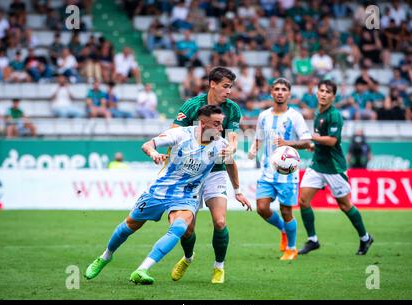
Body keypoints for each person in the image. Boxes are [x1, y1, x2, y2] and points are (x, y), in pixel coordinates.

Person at [84, 105, 251, 284]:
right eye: (216, 124)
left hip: (187, 196)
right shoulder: (181, 134)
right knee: (130, 225)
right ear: (202, 123)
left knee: (180, 227)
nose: (220, 129)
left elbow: (230, 164)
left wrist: (237, 191)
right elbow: (148, 145)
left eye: (222, 124)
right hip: (160, 190)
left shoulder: (220, 144)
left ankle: (142, 269)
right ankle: (105, 256)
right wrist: (154, 153)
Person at [169, 67, 245, 284]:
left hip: (216, 172)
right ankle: (188, 257)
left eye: (231, 87)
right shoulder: (193, 106)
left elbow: (232, 139)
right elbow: (174, 131)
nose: (229, 91)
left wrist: (231, 148)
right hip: (191, 173)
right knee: (187, 229)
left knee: (220, 222)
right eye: (225, 86)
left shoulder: (233, 110)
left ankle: (219, 267)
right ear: (213, 84)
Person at [298, 80, 374, 256]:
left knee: (345, 205)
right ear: (317, 93)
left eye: (328, 92)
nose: (323, 94)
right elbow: (322, 141)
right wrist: (314, 145)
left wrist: (312, 138)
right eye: (321, 90)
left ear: (333, 96)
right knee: (303, 201)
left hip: (334, 168)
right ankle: (313, 240)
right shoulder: (319, 114)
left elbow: (332, 141)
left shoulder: (334, 115)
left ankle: (365, 238)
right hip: (318, 165)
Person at [248, 78, 312, 260]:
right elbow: (259, 137)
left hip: (287, 173)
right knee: (261, 208)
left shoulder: (295, 116)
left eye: (284, 89)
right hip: (267, 171)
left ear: (289, 94)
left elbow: (307, 141)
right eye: (276, 89)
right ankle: (283, 230)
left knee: (286, 212)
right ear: (271, 92)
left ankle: (291, 248)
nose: (280, 92)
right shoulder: (264, 116)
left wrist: (287, 143)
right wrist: (253, 150)